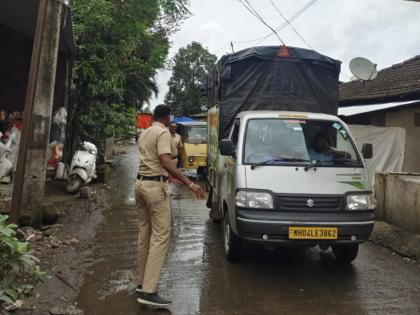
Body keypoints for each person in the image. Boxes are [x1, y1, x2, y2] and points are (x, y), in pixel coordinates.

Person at [135, 105, 204, 307]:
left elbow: (154, 162)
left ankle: (140, 284)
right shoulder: (163, 132)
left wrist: (168, 176)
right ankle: (149, 291)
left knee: (144, 235)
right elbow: (165, 161)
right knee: (161, 236)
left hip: (140, 185)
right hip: (155, 190)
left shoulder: (145, 132)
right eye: (170, 118)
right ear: (167, 118)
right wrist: (189, 183)